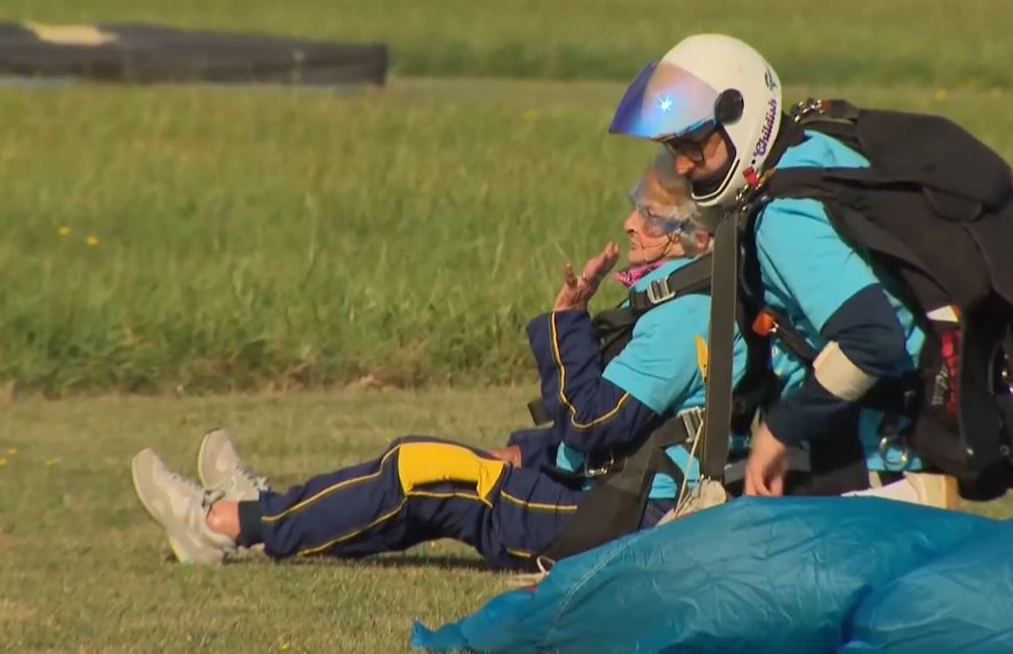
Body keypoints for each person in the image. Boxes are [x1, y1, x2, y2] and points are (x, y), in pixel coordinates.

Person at [130, 151, 751, 567]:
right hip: (615, 501)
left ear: (693, 238)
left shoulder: (684, 320)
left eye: (649, 214)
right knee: (427, 479)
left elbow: (591, 426)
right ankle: (261, 514)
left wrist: (566, 321)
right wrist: (531, 452)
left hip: (611, 525)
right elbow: (633, 433)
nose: (629, 221)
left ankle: (221, 522)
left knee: (417, 468)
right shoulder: (694, 305)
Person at [608, 34, 950, 500]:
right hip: (885, 434)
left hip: (878, 462)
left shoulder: (781, 219)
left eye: (694, 146)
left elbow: (873, 338)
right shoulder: (808, 152)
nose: (684, 166)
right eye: (674, 149)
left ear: (739, 117)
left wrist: (780, 430)